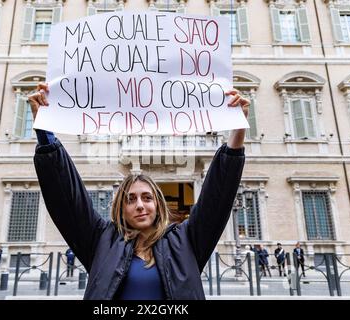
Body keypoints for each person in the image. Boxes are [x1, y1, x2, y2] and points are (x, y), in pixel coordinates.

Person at [29, 83, 248, 300]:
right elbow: (67, 197)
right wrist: (45, 130)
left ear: (158, 205)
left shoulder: (187, 241)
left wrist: (238, 129)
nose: (140, 205)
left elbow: (217, 196)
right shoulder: (101, 241)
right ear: (121, 209)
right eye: (130, 199)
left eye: (147, 197)